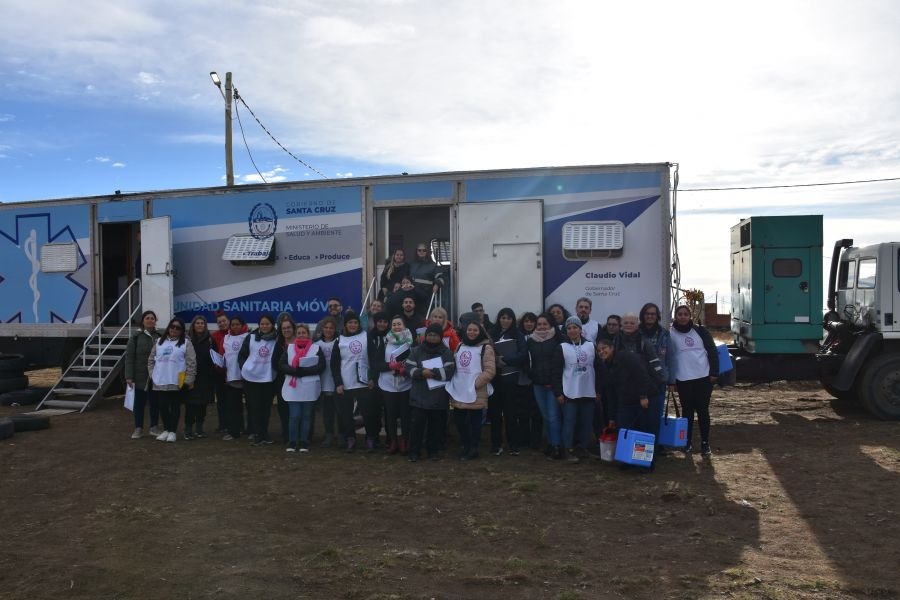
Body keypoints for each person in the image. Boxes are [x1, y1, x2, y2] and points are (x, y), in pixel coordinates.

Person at [668, 305, 719, 456]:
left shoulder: (701, 331)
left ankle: (705, 443)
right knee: (687, 412)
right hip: (683, 379)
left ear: (690, 316)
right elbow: (669, 358)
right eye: (679, 314)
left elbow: (712, 351)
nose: (682, 317)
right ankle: (687, 442)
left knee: (703, 411)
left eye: (685, 314)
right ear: (675, 316)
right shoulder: (670, 334)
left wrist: (714, 372)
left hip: (703, 377)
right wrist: (671, 380)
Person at [596, 337, 656, 462]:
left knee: (642, 431)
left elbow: (642, 375)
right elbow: (610, 393)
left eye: (604, 348)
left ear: (611, 348)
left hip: (641, 400)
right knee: (624, 430)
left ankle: (643, 462)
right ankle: (626, 460)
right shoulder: (605, 366)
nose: (602, 352)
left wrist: (643, 396)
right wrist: (612, 417)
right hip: (624, 403)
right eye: (599, 350)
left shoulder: (626, 357)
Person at [404, 323, 456, 462]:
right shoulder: (415, 351)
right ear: (426, 336)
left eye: (435, 335)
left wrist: (431, 373)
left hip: (438, 398)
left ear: (440, 337)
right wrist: (422, 373)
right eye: (430, 335)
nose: (432, 337)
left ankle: (433, 451)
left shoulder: (447, 353)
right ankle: (414, 452)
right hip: (419, 397)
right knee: (416, 427)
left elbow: (450, 371)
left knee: (436, 427)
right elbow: (409, 368)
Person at [447, 320, 496, 460]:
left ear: (480, 332)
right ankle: (466, 445)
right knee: (459, 420)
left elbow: (490, 371)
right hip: (459, 389)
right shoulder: (460, 345)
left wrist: (474, 384)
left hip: (476, 391)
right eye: (469, 330)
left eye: (475, 330)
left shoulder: (486, 348)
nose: (472, 332)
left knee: (475, 423)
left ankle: (473, 448)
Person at [615, 312, 667, 443]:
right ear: (621, 325)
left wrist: (661, 380)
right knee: (627, 427)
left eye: (632, 323)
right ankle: (627, 459)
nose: (628, 325)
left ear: (637, 325)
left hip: (644, 393)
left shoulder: (645, 342)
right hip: (625, 393)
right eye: (626, 323)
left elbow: (655, 363)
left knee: (646, 428)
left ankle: (647, 461)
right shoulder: (616, 341)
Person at [551, 317, 596, 463]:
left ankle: (583, 448)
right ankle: (566, 450)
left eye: (575, 327)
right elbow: (556, 372)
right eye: (569, 328)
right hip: (569, 392)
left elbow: (598, 368)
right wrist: (558, 392)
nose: (572, 330)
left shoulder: (590, 346)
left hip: (588, 391)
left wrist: (599, 390)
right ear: (566, 330)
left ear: (580, 329)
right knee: (569, 422)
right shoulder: (562, 347)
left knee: (587, 422)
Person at [279, 323, 326, 452]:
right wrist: (294, 371)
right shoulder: (289, 348)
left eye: (303, 333)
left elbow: (321, 366)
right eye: (299, 333)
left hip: (309, 387)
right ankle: (292, 441)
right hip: (293, 388)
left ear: (308, 334)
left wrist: (303, 371)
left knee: (306, 416)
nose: (301, 335)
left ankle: (304, 442)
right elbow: (282, 365)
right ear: (296, 334)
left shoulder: (316, 348)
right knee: (294, 416)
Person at [148, 317, 196, 443]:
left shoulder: (186, 343)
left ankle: (173, 431)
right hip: (160, 380)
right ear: (169, 327)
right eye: (172, 326)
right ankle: (166, 430)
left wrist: (188, 380)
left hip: (176, 380)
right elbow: (151, 360)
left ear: (182, 331)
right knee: (163, 406)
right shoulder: (159, 341)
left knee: (174, 406)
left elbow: (191, 363)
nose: (174, 329)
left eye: (178, 328)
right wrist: (153, 374)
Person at [488, 307, 528, 456]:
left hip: (511, 379)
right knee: (495, 414)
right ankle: (496, 444)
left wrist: (504, 360)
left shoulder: (518, 335)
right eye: (503, 317)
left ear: (513, 320)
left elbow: (522, 355)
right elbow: (485, 352)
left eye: (509, 318)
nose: (506, 320)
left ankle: (513, 444)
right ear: (499, 318)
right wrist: (495, 360)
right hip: (494, 379)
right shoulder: (491, 333)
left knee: (511, 413)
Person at [371, 314, 413, 455]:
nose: (396, 326)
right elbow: (376, 364)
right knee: (390, 415)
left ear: (404, 326)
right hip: (388, 384)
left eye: (399, 324)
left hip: (405, 384)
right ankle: (393, 441)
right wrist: (390, 365)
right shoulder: (385, 342)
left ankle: (405, 441)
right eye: (394, 324)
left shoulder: (411, 342)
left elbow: (415, 362)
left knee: (405, 415)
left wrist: (405, 369)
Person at [527, 313, 563, 459]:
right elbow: (527, 360)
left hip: (553, 384)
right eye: (539, 324)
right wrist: (531, 374)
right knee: (546, 415)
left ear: (551, 325)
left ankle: (556, 446)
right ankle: (551, 443)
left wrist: (554, 381)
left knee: (553, 416)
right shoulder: (530, 341)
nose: (542, 327)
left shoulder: (558, 339)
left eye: (545, 324)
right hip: (537, 384)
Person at [238, 314, 278, 446]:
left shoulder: (277, 338)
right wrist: (245, 368)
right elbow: (242, 355)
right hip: (252, 379)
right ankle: (257, 434)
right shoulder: (251, 337)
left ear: (272, 325)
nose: (264, 326)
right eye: (262, 324)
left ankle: (264, 433)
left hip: (268, 378)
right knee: (254, 407)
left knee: (266, 408)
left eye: (267, 324)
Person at [333, 311, 370, 451]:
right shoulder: (339, 340)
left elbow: (371, 357)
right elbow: (335, 364)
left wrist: (372, 377)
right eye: (350, 322)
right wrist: (338, 383)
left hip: (364, 382)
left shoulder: (366, 336)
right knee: (346, 414)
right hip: (346, 382)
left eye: (355, 322)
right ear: (345, 324)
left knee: (367, 412)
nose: (353, 325)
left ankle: (370, 438)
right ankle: (350, 438)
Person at [124, 310, 160, 439]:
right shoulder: (136, 337)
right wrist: (129, 376)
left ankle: (154, 427)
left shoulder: (160, 336)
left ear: (155, 321)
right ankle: (138, 428)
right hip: (140, 376)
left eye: (152, 318)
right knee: (139, 403)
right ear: (143, 321)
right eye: (147, 318)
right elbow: (129, 357)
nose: (150, 320)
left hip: (156, 376)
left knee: (155, 402)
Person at [184, 315, 214, 440]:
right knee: (190, 405)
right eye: (197, 323)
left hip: (205, 377)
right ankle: (188, 429)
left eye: (202, 323)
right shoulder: (187, 339)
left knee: (202, 405)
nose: (200, 325)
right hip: (191, 376)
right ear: (193, 325)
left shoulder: (210, 340)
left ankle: (199, 428)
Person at [221, 317, 249, 440]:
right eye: (233, 325)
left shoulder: (248, 337)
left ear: (242, 325)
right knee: (233, 407)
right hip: (232, 378)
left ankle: (252, 431)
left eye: (238, 324)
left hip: (247, 377)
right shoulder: (226, 338)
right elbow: (224, 354)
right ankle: (234, 431)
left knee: (251, 406)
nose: (235, 327)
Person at [314, 316, 341, 447]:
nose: (328, 330)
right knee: (327, 411)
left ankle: (342, 435)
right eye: (326, 327)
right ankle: (329, 434)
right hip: (323, 382)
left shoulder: (340, 342)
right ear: (322, 329)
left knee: (341, 411)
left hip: (338, 381)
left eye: (331, 328)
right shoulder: (316, 345)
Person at [273, 313, 297, 444]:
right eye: (284, 328)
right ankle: (286, 434)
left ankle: (300, 434)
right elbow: (274, 363)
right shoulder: (278, 344)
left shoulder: (301, 341)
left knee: (297, 409)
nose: (286, 330)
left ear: (293, 328)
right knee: (284, 409)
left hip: (299, 381)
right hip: (282, 381)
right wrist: (287, 370)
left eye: (288, 327)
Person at [210, 310, 232, 433]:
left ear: (228, 321)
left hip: (232, 372)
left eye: (224, 321)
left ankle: (233, 423)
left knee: (232, 400)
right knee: (221, 399)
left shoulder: (233, 333)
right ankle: (222, 424)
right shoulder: (214, 336)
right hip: (219, 372)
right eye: (220, 322)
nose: (222, 323)